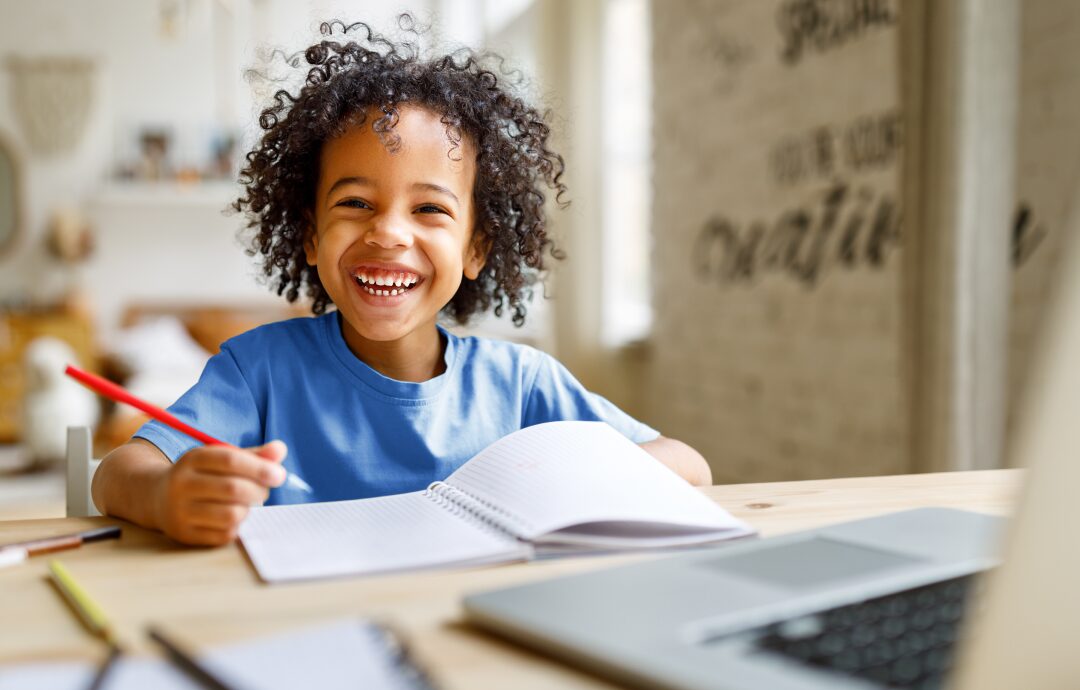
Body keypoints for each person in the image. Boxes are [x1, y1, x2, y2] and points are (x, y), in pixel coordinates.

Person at [91, 18, 711, 547]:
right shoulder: (259, 372)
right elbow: (118, 472)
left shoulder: (523, 385)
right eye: (356, 203)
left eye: (430, 209)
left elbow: (690, 468)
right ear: (310, 236)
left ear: (475, 249)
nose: (388, 233)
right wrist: (167, 494)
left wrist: (564, 479)